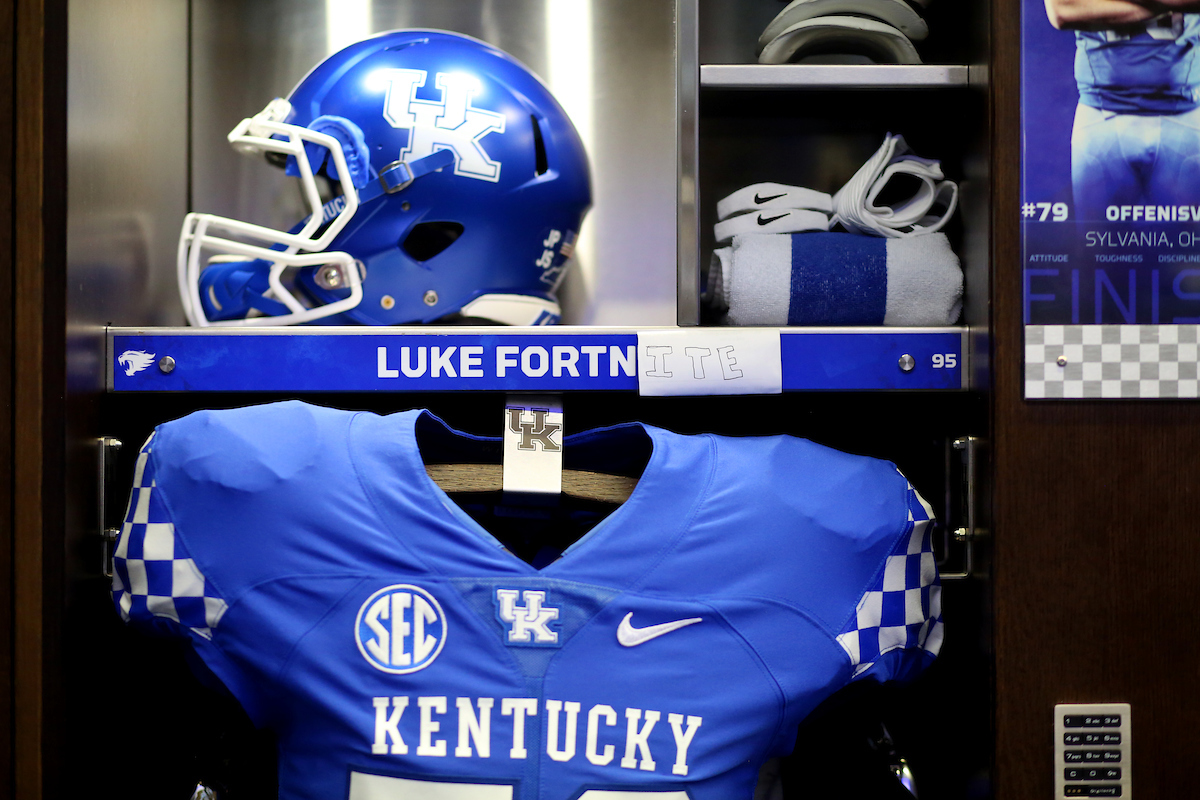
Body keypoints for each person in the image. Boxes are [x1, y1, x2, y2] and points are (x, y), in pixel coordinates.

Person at [1044, 0, 1200, 220]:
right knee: (1095, 249)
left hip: (1184, 112)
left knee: (1186, 250)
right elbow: (1062, 10)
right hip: (1101, 112)